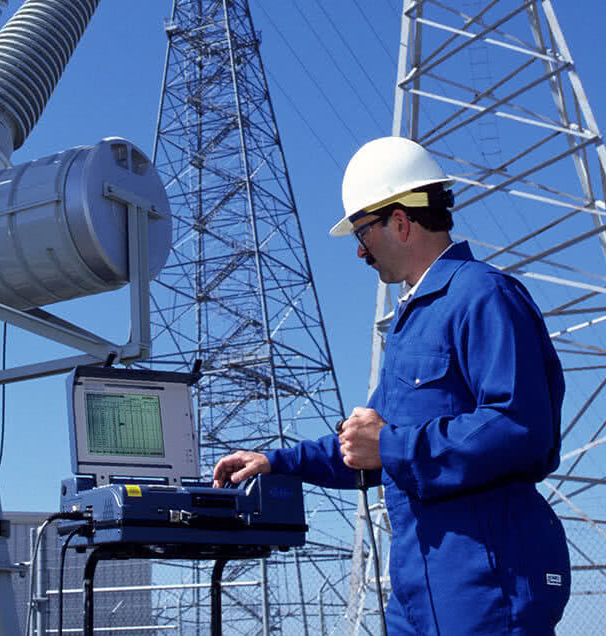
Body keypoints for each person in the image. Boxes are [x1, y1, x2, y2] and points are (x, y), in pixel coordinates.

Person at [212, 137, 570, 634]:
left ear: (400, 222)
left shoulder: (482, 295)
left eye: (362, 232)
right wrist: (278, 462)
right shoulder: (412, 321)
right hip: (418, 587)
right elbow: (366, 447)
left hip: (485, 581)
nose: (360, 250)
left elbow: (520, 428)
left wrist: (391, 445)